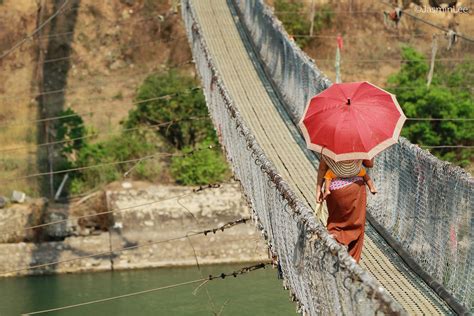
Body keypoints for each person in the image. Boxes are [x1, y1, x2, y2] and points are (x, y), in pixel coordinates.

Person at [316, 157, 374, 262]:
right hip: (355, 187)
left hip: (334, 189)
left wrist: (318, 190)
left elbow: (322, 168)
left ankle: (334, 244)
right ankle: (352, 262)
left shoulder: (329, 142)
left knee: (335, 223)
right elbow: (369, 163)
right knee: (357, 225)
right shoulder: (359, 141)